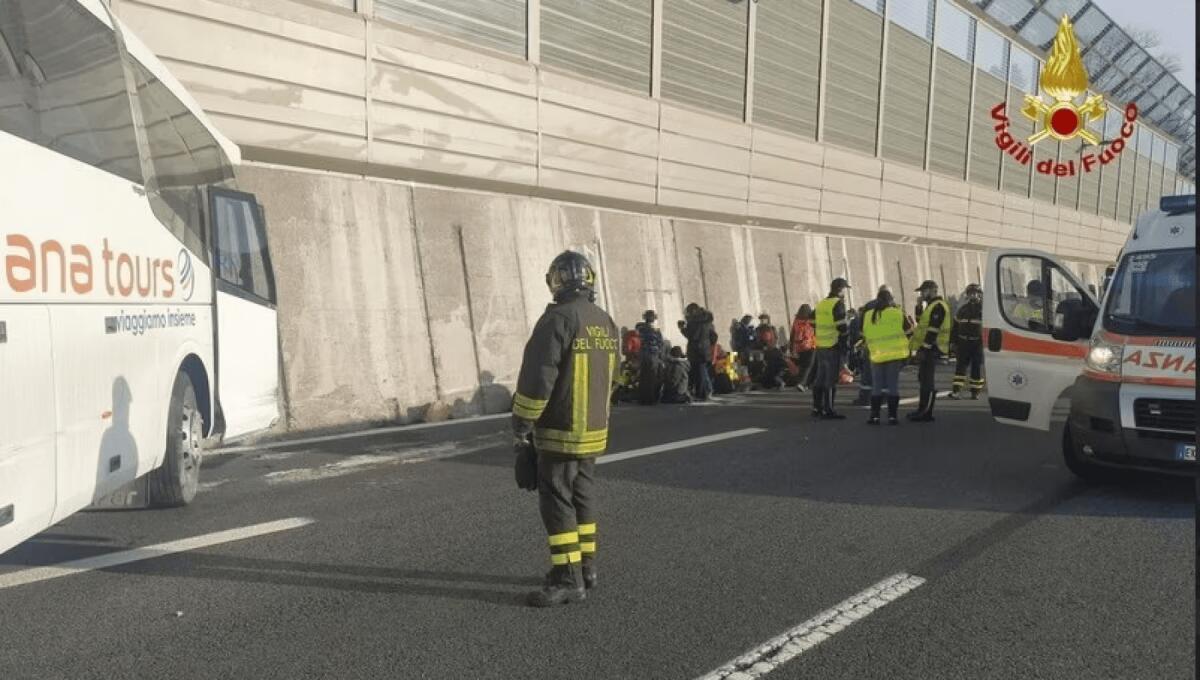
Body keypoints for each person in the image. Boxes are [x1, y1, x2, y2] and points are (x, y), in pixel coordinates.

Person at [511, 251, 618, 607]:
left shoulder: (556, 320)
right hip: (594, 432)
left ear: (555, 281)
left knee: (556, 499)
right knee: (583, 496)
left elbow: (538, 380)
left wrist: (522, 428)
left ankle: (566, 577)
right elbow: (614, 377)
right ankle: (588, 568)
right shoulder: (604, 321)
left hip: (560, 431)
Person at [861, 287, 912, 425]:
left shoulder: (869, 315)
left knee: (876, 386)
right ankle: (892, 416)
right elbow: (909, 331)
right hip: (894, 355)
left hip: (876, 354)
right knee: (892, 386)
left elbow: (864, 332)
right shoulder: (897, 313)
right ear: (890, 300)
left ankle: (875, 416)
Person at [907, 280, 951, 422]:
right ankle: (921, 409)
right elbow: (921, 323)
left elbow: (933, 330)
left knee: (927, 380)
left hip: (933, 347)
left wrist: (924, 349)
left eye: (923, 291)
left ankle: (926, 412)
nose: (921, 294)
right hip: (928, 348)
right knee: (923, 378)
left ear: (932, 290)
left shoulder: (938, 306)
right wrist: (919, 306)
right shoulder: (931, 306)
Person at [813, 278, 851, 419]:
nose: (845, 293)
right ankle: (829, 410)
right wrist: (845, 336)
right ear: (840, 289)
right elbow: (841, 326)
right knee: (831, 379)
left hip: (821, 344)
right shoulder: (837, 303)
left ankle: (817, 408)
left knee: (820, 377)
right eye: (844, 289)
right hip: (832, 344)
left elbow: (811, 320)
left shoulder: (822, 303)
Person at [948, 284, 984, 400]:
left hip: (977, 343)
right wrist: (953, 342)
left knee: (976, 368)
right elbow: (955, 327)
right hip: (963, 342)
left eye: (975, 293)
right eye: (970, 293)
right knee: (960, 368)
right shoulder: (963, 309)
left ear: (979, 294)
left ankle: (975, 392)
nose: (972, 295)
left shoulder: (984, 309)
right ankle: (956, 391)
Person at [681, 304, 717, 401]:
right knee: (703, 371)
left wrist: (682, 329)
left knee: (700, 372)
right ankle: (708, 390)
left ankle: (703, 393)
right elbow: (714, 337)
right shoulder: (707, 321)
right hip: (705, 349)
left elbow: (692, 336)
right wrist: (707, 344)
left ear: (693, 311)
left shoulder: (695, 322)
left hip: (696, 350)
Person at [636, 310, 665, 405]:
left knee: (643, 376)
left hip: (643, 354)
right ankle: (651, 398)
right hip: (653, 355)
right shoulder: (655, 331)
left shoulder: (641, 329)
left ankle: (642, 398)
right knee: (652, 377)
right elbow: (660, 343)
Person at [790, 304, 816, 393]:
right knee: (809, 366)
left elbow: (792, 334)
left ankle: (805, 384)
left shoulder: (796, 320)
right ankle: (802, 383)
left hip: (799, 346)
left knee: (803, 365)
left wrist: (791, 347)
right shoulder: (810, 320)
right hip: (810, 345)